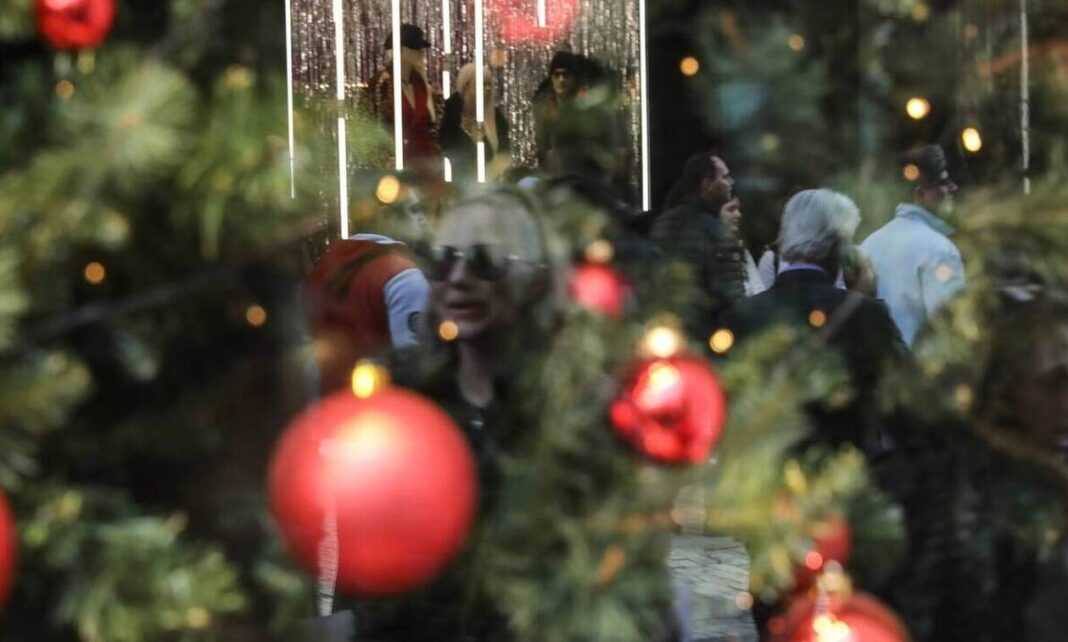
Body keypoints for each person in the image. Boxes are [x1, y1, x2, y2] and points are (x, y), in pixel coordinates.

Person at [725, 189, 907, 453]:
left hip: (761, 466)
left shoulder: (744, 314)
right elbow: (907, 395)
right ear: (836, 246)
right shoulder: (866, 313)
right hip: (848, 465)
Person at [302, 221, 429, 394]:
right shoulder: (402, 274)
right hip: (384, 400)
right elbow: (415, 365)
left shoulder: (324, 271)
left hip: (329, 400)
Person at [859, 145, 965, 346]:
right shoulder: (940, 250)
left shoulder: (868, 245)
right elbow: (950, 330)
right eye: (942, 183)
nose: (953, 188)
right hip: (918, 364)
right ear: (920, 195)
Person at [650, 152, 747, 331]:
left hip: (667, 325)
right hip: (709, 328)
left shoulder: (663, 221)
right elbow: (731, 292)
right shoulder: (717, 229)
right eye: (725, 177)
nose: (731, 182)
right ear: (706, 183)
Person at [369, 23, 441, 170]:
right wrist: (384, 159)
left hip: (428, 164)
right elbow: (373, 126)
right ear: (401, 50)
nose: (421, 53)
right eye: (416, 49)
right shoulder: (382, 84)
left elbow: (433, 126)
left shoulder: (421, 84)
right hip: (397, 166)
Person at [439, 63, 511, 181]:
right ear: (466, 87)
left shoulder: (496, 118)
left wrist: (489, 174)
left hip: (488, 184)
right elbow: (444, 150)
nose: (487, 89)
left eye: (489, 85)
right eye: (482, 84)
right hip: (454, 182)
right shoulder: (450, 116)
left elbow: (504, 153)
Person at [533, 51, 582, 168]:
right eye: (557, 75)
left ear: (574, 78)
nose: (561, 80)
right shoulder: (544, 108)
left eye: (566, 75)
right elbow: (542, 147)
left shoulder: (584, 105)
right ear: (551, 78)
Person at [720, 197, 767, 296]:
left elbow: (759, 290)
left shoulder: (742, 250)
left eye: (738, 209)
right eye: (731, 209)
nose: (738, 214)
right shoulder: (705, 251)